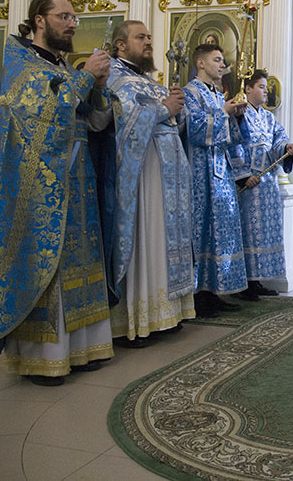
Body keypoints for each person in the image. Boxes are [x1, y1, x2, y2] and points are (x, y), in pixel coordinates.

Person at [0, 0, 114, 386]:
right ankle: (42, 359)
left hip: (77, 181)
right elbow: (43, 112)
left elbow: (93, 121)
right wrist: (85, 77)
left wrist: (98, 86)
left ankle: (81, 348)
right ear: (39, 20)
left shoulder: (62, 67)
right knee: (46, 265)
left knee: (78, 260)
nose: (71, 24)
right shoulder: (22, 64)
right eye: (63, 16)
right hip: (40, 187)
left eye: (74, 18)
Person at [103, 21, 195, 346]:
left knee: (162, 241)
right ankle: (138, 320)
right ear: (120, 45)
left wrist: (177, 109)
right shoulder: (113, 78)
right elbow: (121, 123)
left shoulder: (147, 81)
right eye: (140, 37)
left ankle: (167, 314)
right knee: (147, 240)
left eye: (149, 37)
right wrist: (163, 108)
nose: (148, 42)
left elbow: (170, 122)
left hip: (167, 178)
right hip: (141, 177)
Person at [183, 43, 250, 317]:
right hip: (200, 173)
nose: (223, 65)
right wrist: (224, 112)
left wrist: (237, 117)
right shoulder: (190, 92)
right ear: (200, 63)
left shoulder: (215, 94)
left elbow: (232, 136)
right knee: (201, 231)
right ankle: (197, 295)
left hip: (220, 172)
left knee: (219, 233)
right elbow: (195, 130)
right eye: (217, 60)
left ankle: (214, 290)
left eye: (223, 61)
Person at [235, 69, 293, 299]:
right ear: (248, 89)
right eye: (261, 87)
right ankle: (244, 283)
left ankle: (257, 280)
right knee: (248, 233)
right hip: (249, 186)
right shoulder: (239, 114)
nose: (265, 92)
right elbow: (234, 145)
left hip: (267, 184)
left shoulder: (268, 117)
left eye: (266, 88)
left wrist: (286, 148)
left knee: (263, 234)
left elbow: (278, 140)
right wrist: (243, 176)